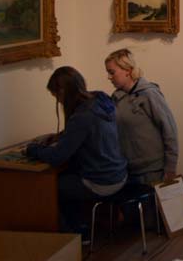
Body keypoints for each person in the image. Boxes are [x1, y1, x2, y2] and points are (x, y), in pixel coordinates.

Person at [26, 66, 127, 237]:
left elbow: (57, 157)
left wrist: (33, 149)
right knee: (67, 177)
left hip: (101, 182)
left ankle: (74, 235)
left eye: (57, 96)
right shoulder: (100, 100)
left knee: (49, 188)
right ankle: (80, 227)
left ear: (64, 91)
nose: (58, 102)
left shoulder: (81, 116)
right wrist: (62, 136)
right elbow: (92, 132)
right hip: (119, 174)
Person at [105, 48, 179, 184]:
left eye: (112, 72)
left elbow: (169, 130)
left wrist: (170, 167)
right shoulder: (116, 98)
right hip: (128, 169)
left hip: (152, 170)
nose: (109, 77)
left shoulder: (149, 94)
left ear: (127, 70)